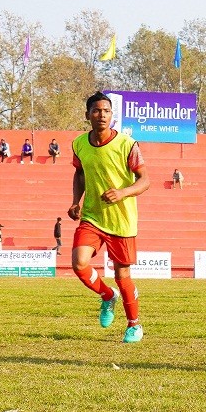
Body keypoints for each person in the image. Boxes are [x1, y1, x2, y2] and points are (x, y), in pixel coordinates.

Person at [69, 91, 150, 343]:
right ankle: (107, 296)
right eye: (96, 111)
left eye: (106, 111)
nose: (101, 115)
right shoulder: (79, 144)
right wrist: (75, 201)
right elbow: (79, 174)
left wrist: (123, 192)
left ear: (112, 115)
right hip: (92, 216)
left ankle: (134, 325)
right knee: (79, 263)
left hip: (122, 221)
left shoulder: (127, 144)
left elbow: (145, 180)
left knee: (122, 275)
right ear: (87, 115)